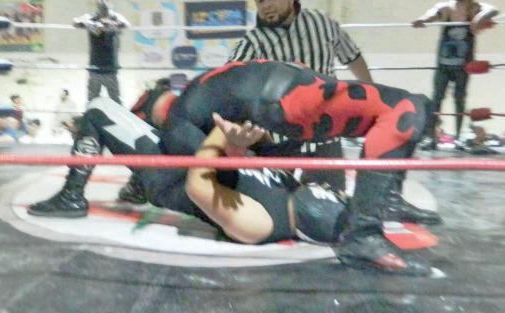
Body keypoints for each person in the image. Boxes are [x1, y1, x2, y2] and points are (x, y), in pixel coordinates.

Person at [29, 60, 436, 275]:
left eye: (336, 207)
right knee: (164, 109)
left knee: (99, 110)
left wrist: (224, 138)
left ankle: (72, 196)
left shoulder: (263, 225)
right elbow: (252, 161)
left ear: (315, 225)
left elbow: (199, 186)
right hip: (201, 145)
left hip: (172, 176)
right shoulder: (289, 190)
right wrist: (249, 142)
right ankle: (136, 173)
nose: (332, 195)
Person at [227, 0, 372, 193]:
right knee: (277, 204)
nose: (267, 5)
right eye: (260, 0)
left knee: (332, 203)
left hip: (324, 135)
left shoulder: (321, 23)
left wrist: (371, 95)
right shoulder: (253, 42)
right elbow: (227, 79)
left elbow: (352, 56)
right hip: (279, 140)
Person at [413, 0, 499, 145]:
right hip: (443, 64)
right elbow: (433, 13)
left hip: (463, 66)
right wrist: (423, 20)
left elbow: (493, 10)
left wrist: (480, 18)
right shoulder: (446, 7)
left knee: (460, 99)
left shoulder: (475, 8)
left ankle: (458, 136)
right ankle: (431, 136)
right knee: (437, 98)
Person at [73, 0, 130, 104]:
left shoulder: (115, 17)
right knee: (92, 102)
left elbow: (126, 24)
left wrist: (109, 24)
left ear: (109, 1)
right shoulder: (91, 17)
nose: (102, 2)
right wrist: (90, 24)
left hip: (110, 68)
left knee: (116, 101)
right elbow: (75, 22)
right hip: (95, 67)